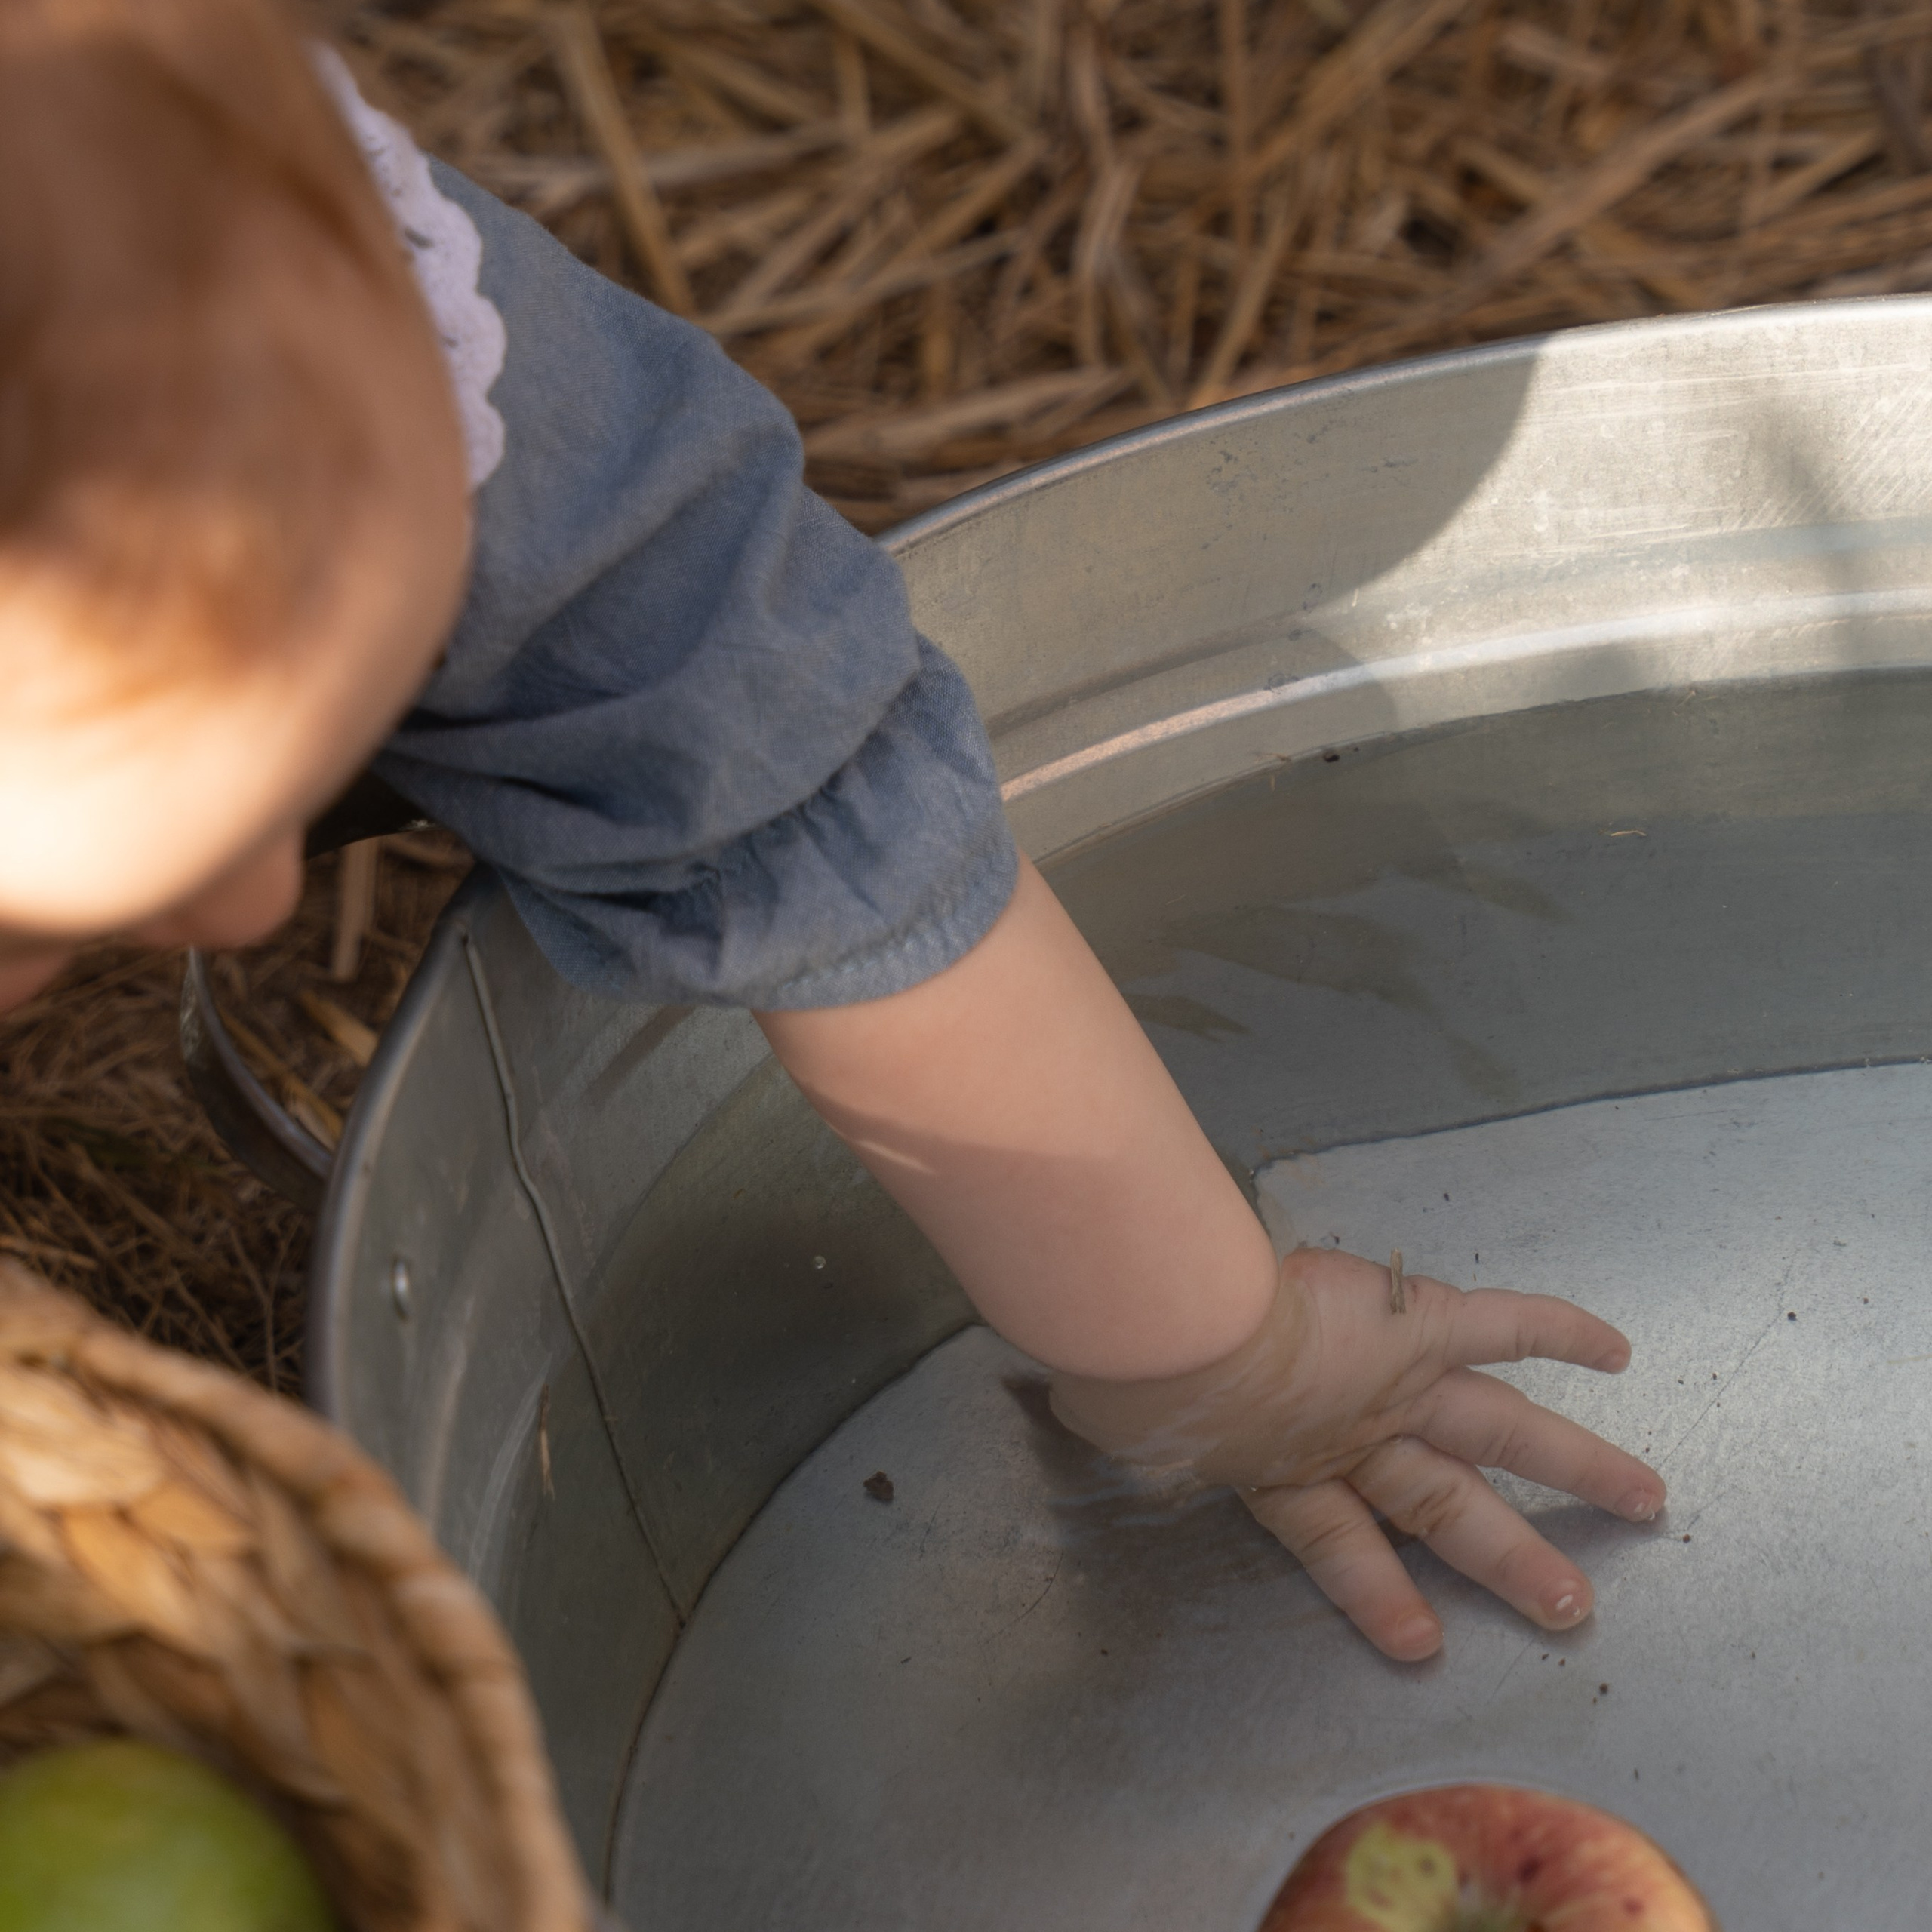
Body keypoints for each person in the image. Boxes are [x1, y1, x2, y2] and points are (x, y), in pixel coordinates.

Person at [0, 0, 1663, 1664]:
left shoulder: (363, 346)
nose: (253, 901)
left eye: (302, 754)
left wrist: (1211, 1368)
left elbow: (801, 814)